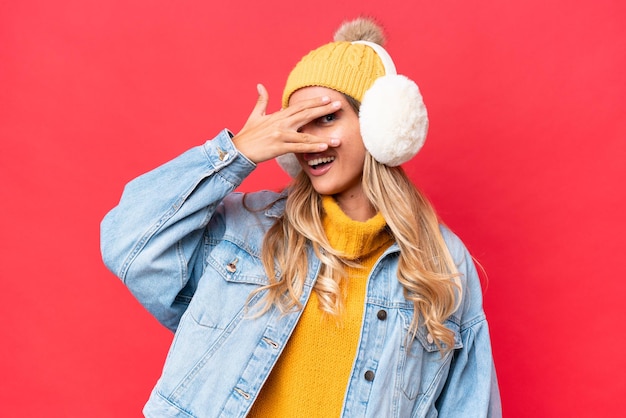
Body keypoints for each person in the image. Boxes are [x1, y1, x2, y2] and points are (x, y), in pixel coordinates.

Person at [101, 17, 501, 417]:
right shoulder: (246, 229)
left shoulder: (440, 262)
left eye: (328, 118)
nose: (311, 142)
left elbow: (470, 405)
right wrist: (237, 152)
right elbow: (128, 243)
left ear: (380, 125)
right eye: (298, 123)